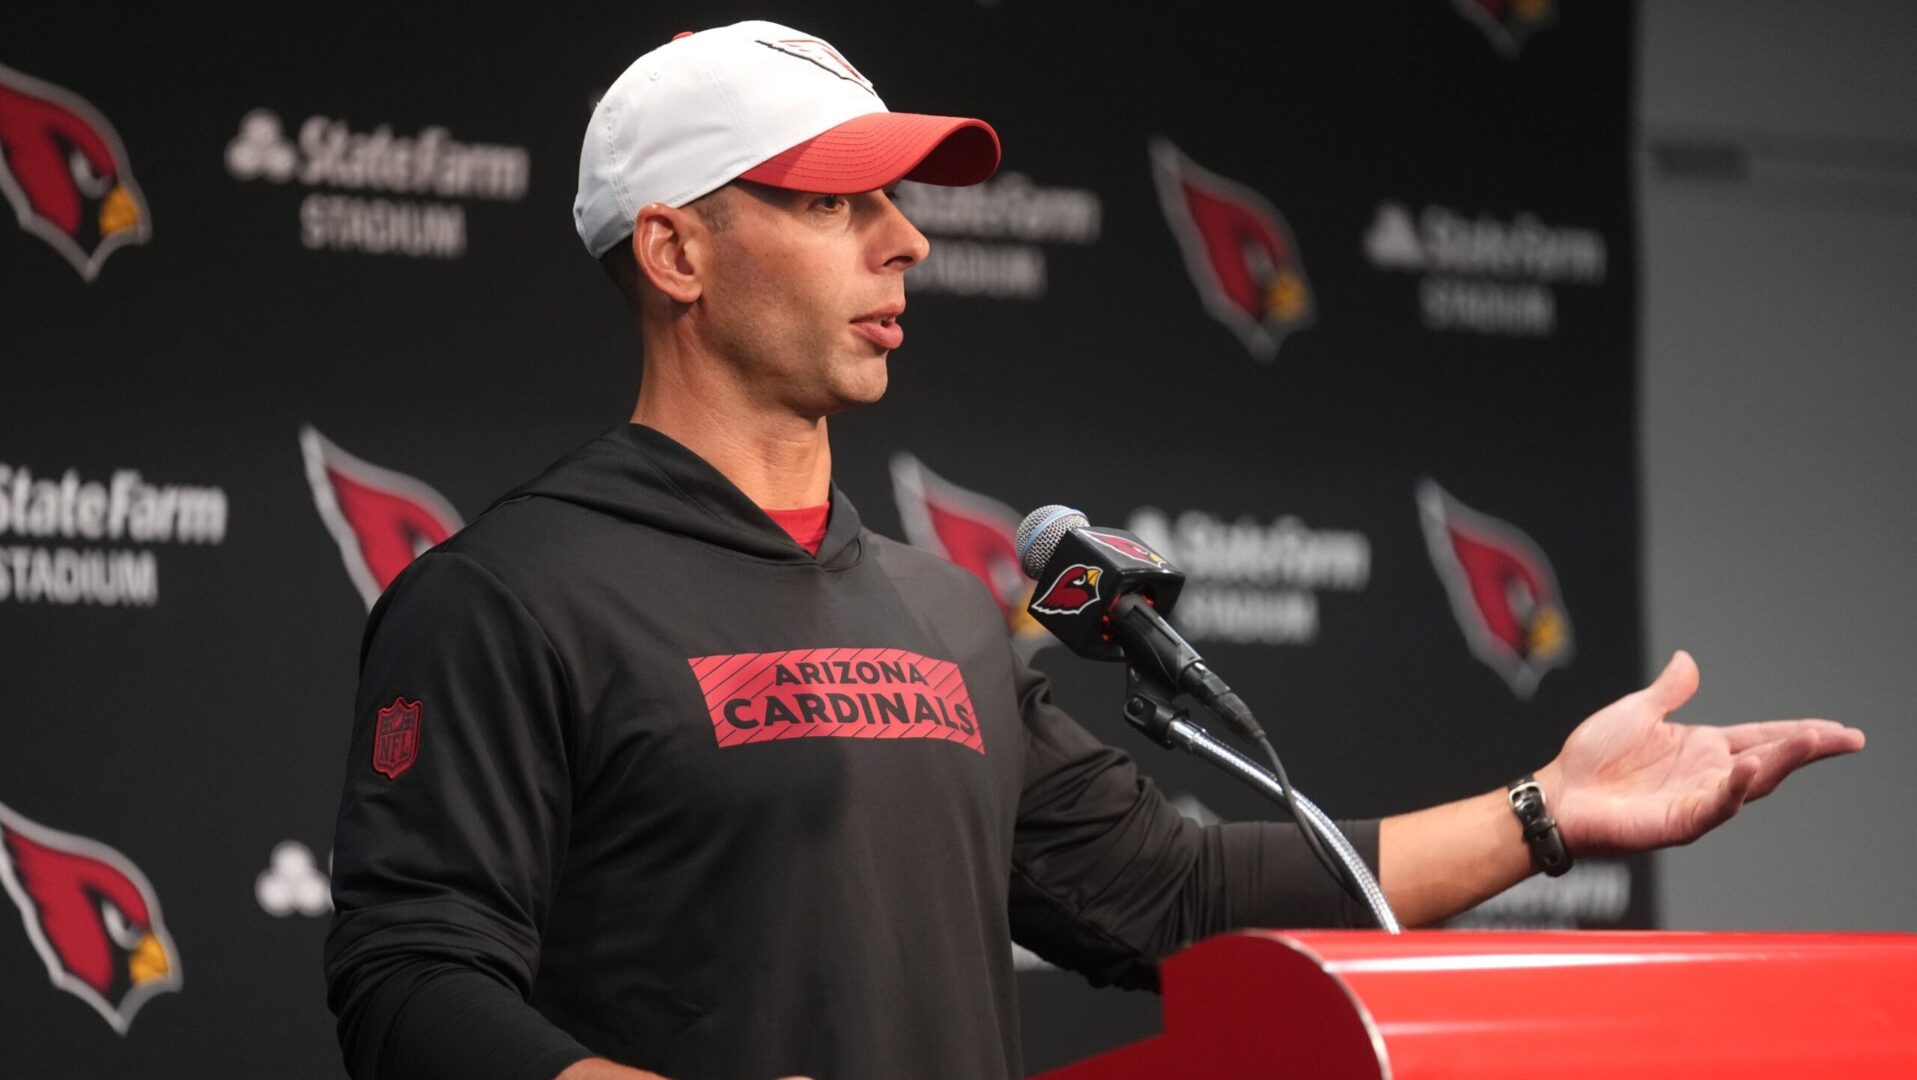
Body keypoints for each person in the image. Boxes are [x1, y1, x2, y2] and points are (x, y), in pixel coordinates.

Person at [322, 21, 1865, 1080]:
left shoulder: (936, 610)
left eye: (900, 203)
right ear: (674, 250)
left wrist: (1549, 813)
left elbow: (1173, 894)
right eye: (838, 203)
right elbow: (410, 987)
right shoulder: (505, 597)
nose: (905, 241)